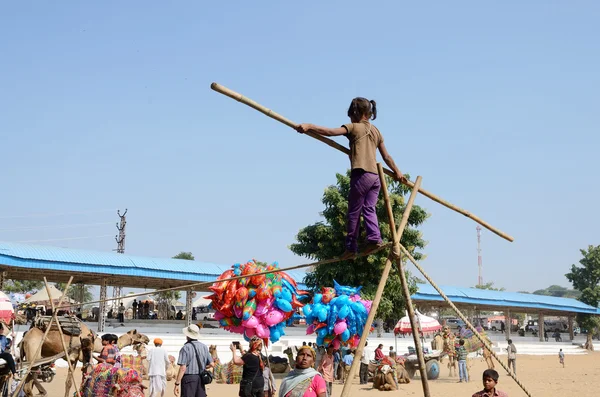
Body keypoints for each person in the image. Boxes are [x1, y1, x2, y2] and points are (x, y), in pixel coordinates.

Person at [296, 97, 404, 259]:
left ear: (357, 113)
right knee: (369, 208)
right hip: (375, 177)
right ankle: (374, 238)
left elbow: (330, 132)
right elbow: (386, 157)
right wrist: (397, 172)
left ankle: (350, 247)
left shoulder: (354, 127)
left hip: (361, 174)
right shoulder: (376, 131)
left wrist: (309, 126)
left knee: (353, 212)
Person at [174, 324, 213, 397]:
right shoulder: (204, 347)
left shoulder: (185, 348)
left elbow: (183, 368)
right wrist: (203, 367)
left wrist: (177, 383)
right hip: (201, 378)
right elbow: (211, 364)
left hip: (188, 379)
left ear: (187, 335)